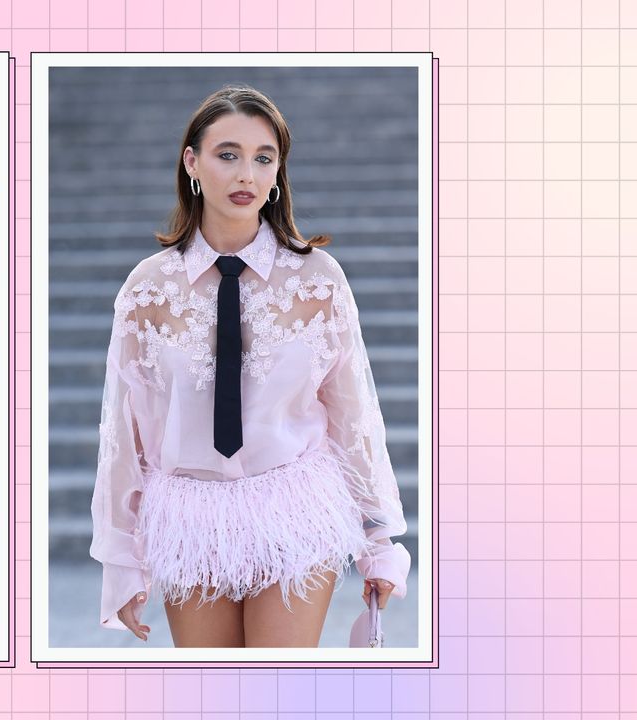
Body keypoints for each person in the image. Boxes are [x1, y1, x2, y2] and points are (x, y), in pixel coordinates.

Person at [90, 85, 410, 648]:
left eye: (264, 158)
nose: (247, 174)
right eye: (228, 154)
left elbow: (355, 416)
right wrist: (122, 558)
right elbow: (124, 434)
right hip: (190, 517)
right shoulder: (147, 290)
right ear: (192, 161)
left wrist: (381, 538)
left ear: (279, 170)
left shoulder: (318, 280)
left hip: (296, 506)